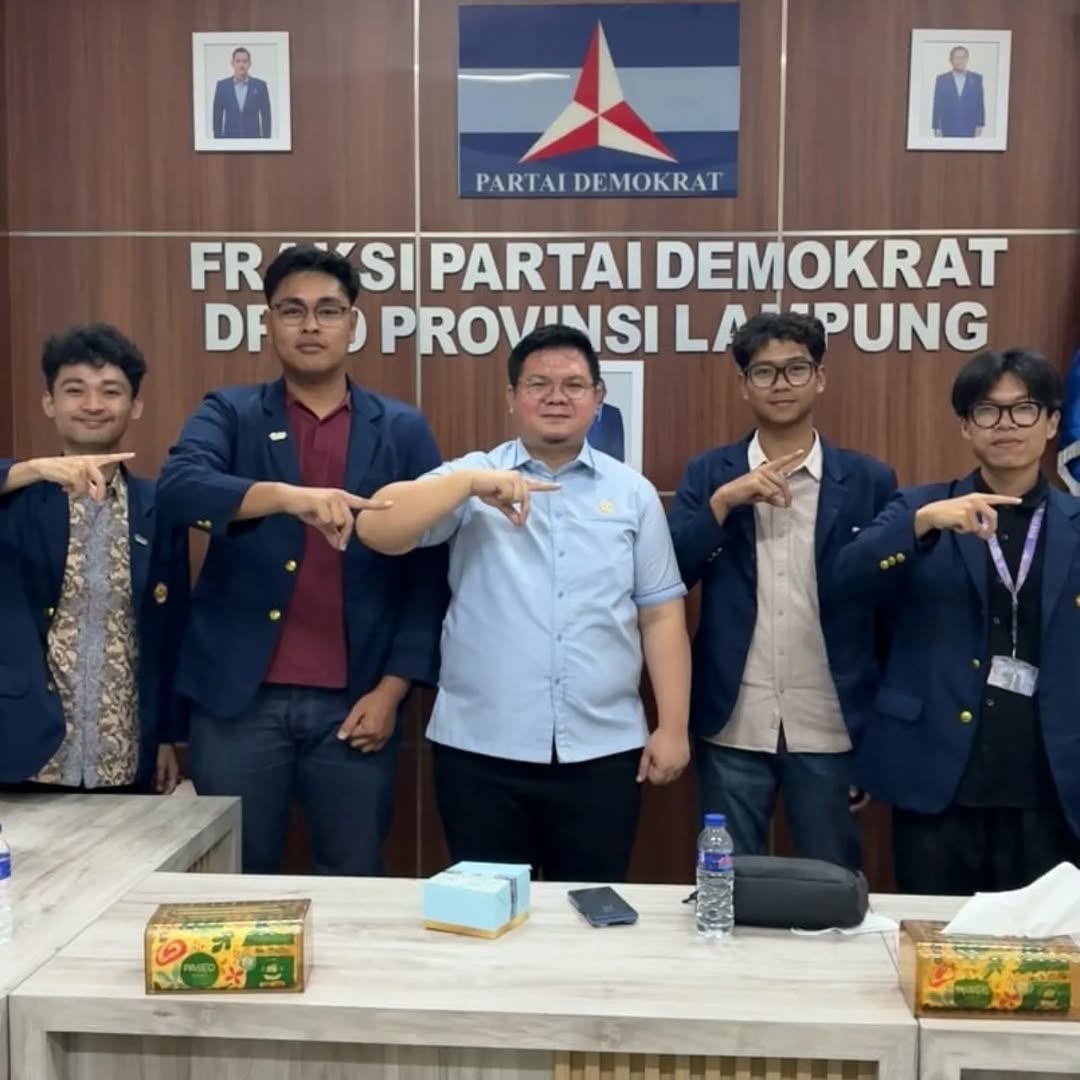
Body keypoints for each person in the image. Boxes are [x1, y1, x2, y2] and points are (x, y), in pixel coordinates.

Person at [356, 323, 691, 883]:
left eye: (573, 385)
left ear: (598, 398)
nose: (556, 397)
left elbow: (660, 615)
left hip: (602, 751)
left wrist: (673, 727)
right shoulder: (471, 476)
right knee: (487, 916)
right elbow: (376, 528)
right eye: (538, 384)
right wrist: (468, 486)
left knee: (589, 913)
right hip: (481, 750)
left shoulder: (631, 493)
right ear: (512, 397)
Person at [157, 245, 447, 876]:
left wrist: (393, 690)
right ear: (269, 322)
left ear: (353, 323)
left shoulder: (401, 428)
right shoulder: (230, 412)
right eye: (292, 310)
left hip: (356, 702)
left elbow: (429, 574)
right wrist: (288, 498)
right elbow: (178, 490)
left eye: (328, 311)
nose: (310, 325)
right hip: (237, 703)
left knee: (354, 877)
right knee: (234, 879)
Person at [835, 349, 1080, 894]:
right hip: (938, 779)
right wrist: (922, 525)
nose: (1006, 424)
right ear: (967, 427)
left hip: (1051, 785)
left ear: (1052, 423)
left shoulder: (1075, 523)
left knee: (1041, 941)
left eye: (1024, 409)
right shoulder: (921, 507)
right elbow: (846, 579)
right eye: (988, 411)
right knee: (934, 936)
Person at [668, 312, 896, 870]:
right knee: (728, 884)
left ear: (820, 378)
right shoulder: (710, 473)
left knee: (833, 883)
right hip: (734, 717)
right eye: (764, 372)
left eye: (796, 369)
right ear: (744, 384)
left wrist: (877, 734)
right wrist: (723, 504)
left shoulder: (868, 480)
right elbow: (671, 573)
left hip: (830, 719)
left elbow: (887, 606)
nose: (781, 384)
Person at [0, 324, 189, 794]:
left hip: (122, 752)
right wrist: (33, 469)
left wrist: (167, 735)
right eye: (74, 390)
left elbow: (170, 630)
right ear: (49, 402)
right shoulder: (15, 500)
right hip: (25, 751)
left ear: (135, 405)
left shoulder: (157, 506)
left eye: (110, 391)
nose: (92, 404)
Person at [212, 46, 272, 139]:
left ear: (249, 64)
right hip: (230, 140)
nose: (241, 64)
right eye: (238, 61)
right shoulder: (222, 86)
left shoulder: (260, 86)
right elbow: (217, 117)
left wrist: (266, 142)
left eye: (245, 61)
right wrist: (218, 142)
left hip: (253, 140)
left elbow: (266, 117)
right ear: (232, 63)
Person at [932, 45, 985, 138]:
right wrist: (937, 128)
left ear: (967, 59)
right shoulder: (942, 80)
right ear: (951, 60)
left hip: (970, 128)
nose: (960, 60)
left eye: (963, 57)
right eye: (956, 57)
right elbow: (937, 105)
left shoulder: (976, 79)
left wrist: (980, 125)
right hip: (947, 128)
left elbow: (980, 104)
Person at [588, 383, 625, 461]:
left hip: (606, 460)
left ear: (605, 392)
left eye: (600, 390)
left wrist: (619, 463)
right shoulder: (582, 410)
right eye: (596, 390)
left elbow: (618, 441)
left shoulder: (613, 412)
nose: (598, 393)